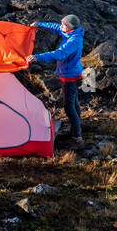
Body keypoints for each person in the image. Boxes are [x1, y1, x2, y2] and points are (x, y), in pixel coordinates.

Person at [27, 14, 85, 144]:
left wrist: (37, 57)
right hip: (72, 72)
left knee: (69, 106)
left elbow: (59, 54)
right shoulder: (70, 32)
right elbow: (55, 27)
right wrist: (39, 24)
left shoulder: (74, 41)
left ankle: (76, 136)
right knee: (74, 102)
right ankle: (77, 128)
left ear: (69, 27)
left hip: (69, 76)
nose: (61, 25)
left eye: (63, 24)